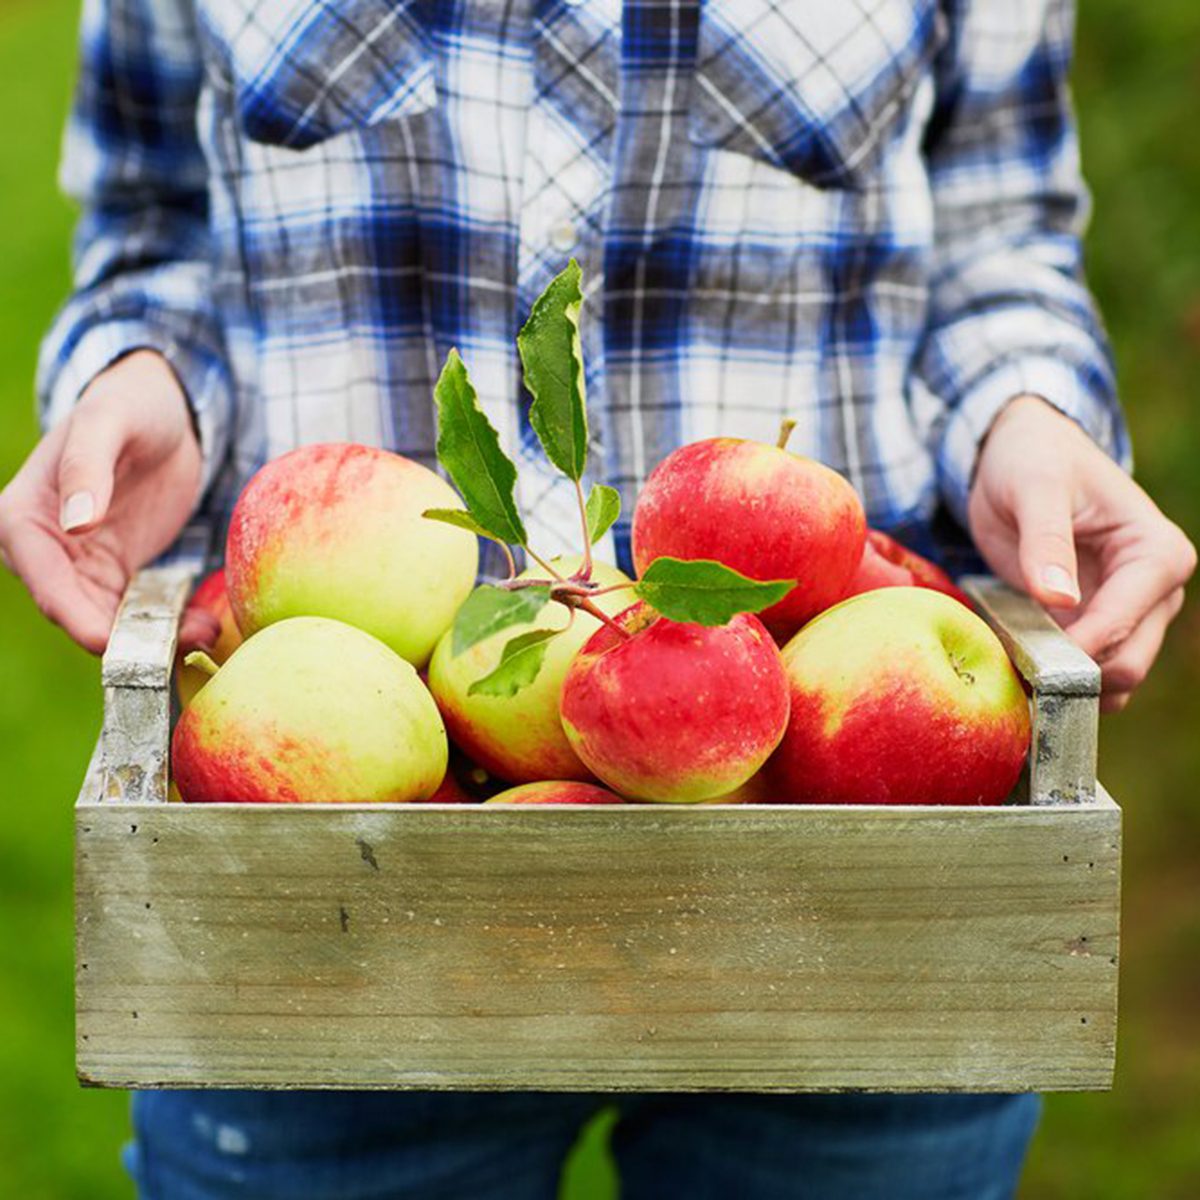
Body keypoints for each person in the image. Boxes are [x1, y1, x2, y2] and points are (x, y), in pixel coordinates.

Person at [0, 2, 1193, 1197]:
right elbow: (152, 214)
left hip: (853, 874)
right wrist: (143, 367)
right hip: (329, 903)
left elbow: (999, 236)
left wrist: (1024, 413)